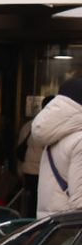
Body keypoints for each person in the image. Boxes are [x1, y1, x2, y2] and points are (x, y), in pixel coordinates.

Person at [30, 78, 82, 218]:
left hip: (52, 226)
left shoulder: (57, 137)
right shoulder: (79, 141)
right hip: (71, 231)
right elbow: (80, 200)